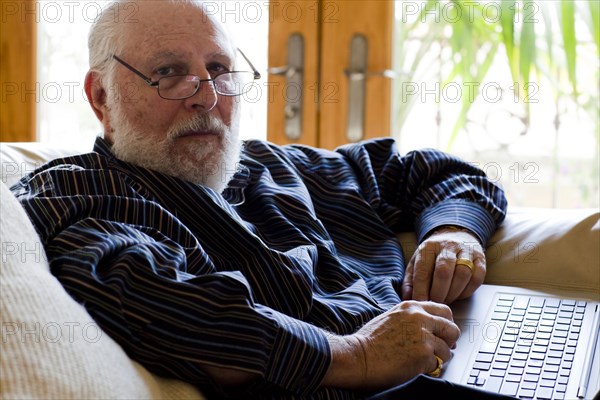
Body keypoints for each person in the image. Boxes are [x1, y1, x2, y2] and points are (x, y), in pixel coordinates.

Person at [11, 1, 510, 399]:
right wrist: (355, 355)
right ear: (101, 96)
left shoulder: (269, 166)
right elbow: (147, 299)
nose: (205, 96)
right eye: (168, 72)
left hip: (453, 355)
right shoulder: (77, 194)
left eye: (219, 69)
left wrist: (453, 233)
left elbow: (426, 173)